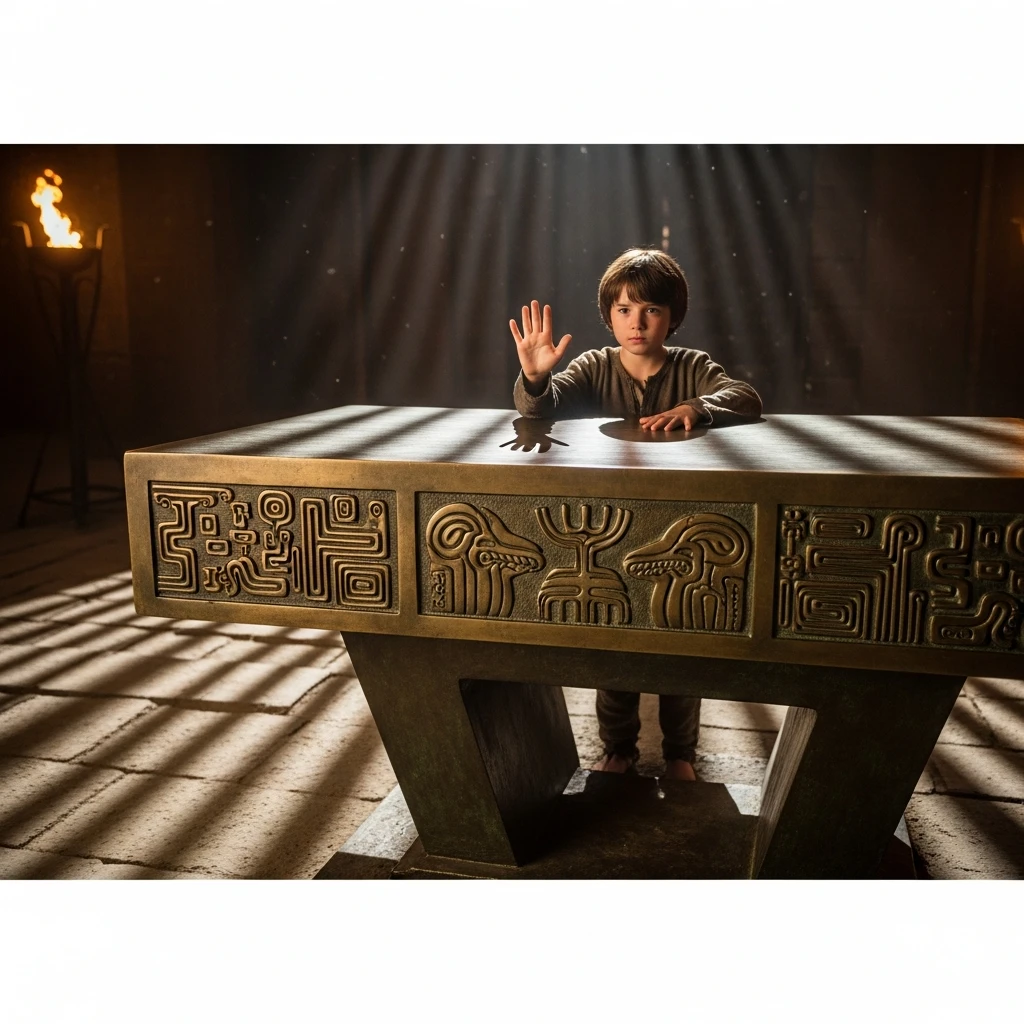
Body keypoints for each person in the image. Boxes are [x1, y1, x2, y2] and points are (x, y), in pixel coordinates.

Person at [509, 247, 762, 781]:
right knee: (614, 643)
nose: (637, 323)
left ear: (673, 316)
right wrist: (534, 380)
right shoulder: (593, 366)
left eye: (651, 310)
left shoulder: (693, 366)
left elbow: (745, 397)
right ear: (609, 315)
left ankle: (681, 755)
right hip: (612, 526)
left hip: (676, 530)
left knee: (682, 643)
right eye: (624, 310)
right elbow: (541, 407)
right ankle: (618, 748)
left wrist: (696, 407)